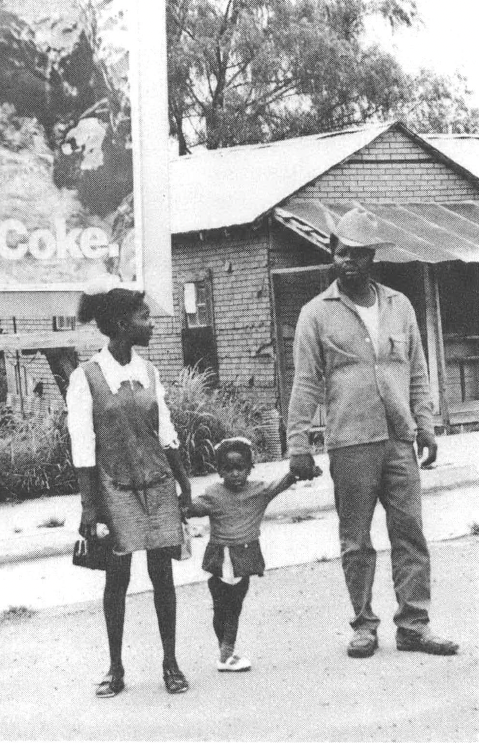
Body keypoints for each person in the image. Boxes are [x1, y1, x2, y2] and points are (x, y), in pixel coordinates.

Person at [287, 207, 458, 658]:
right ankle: (364, 625)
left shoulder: (399, 306)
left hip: (399, 439)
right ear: (332, 253)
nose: (351, 262)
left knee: (410, 533)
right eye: (344, 253)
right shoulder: (315, 314)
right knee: (356, 539)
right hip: (350, 442)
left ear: (372, 258)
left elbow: (416, 370)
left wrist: (426, 424)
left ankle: (414, 625)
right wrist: (298, 443)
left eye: (360, 255)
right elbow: (305, 381)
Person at [67, 284, 192, 697]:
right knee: (116, 579)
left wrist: (184, 485)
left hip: (157, 486)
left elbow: (166, 433)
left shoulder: (150, 373)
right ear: (122, 324)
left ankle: (171, 664)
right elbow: (83, 447)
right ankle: (116, 669)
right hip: (114, 488)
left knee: (163, 577)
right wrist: (90, 508)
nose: (151, 324)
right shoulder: (86, 378)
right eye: (144, 317)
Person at [186, 437, 304, 672]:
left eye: (240, 468)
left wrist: (299, 471)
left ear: (250, 468)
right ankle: (226, 654)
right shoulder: (213, 493)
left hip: (245, 556)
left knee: (234, 605)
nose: (235, 474)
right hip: (219, 557)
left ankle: (226, 653)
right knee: (221, 606)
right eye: (228, 469)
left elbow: (280, 484)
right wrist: (181, 503)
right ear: (219, 470)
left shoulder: (258, 491)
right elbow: (193, 508)